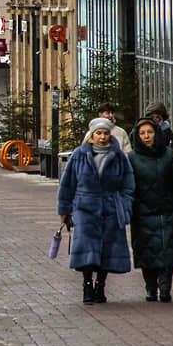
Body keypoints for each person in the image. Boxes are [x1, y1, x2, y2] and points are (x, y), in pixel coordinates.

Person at [57, 117, 135, 305]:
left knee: (107, 248)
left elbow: (128, 184)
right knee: (87, 247)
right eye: (98, 133)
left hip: (110, 207)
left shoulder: (119, 157)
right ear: (91, 135)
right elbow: (67, 184)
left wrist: (124, 205)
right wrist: (65, 209)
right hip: (85, 207)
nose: (102, 137)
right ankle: (87, 285)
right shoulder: (79, 155)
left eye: (105, 133)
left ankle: (100, 285)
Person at [127, 118, 173, 302]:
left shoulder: (169, 156)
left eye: (149, 132)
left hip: (168, 211)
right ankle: (150, 288)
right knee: (146, 251)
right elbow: (129, 186)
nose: (146, 136)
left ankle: (165, 288)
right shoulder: (132, 158)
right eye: (142, 133)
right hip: (142, 212)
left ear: (156, 133)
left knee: (167, 250)